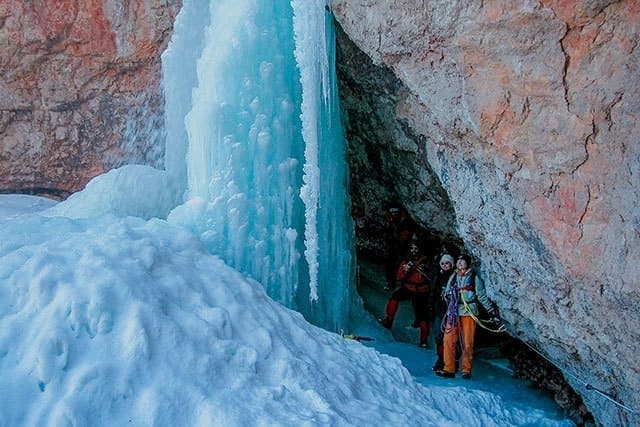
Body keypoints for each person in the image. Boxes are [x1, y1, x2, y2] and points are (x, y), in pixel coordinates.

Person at [436, 254, 497, 379]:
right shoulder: (453, 277)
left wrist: (491, 310)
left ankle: (466, 369)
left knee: (467, 342)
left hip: (469, 311)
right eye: (458, 262)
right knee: (448, 339)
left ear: (467, 264)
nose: (459, 264)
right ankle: (449, 368)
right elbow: (447, 291)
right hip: (454, 312)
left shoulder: (474, 278)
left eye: (462, 262)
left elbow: (481, 296)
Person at [378, 241, 432, 347]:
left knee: (423, 315)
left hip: (421, 292)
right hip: (408, 288)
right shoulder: (405, 262)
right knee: (395, 297)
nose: (413, 251)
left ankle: (424, 341)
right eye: (412, 248)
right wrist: (406, 270)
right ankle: (388, 321)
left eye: (416, 248)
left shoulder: (426, 263)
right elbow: (399, 277)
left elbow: (431, 278)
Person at [430, 253, 455, 371]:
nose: (445, 265)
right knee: (438, 335)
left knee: (450, 337)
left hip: (451, 311)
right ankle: (441, 359)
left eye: (448, 263)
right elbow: (433, 293)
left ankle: (449, 361)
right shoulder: (438, 277)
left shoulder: (455, 277)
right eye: (443, 263)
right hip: (440, 310)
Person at [383, 206, 415, 291]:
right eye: (392, 212)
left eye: (395, 212)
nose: (394, 214)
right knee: (390, 265)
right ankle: (390, 283)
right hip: (393, 246)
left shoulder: (404, 221)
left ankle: (400, 284)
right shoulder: (390, 220)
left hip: (401, 247)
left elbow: (405, 236)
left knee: (400, 265)